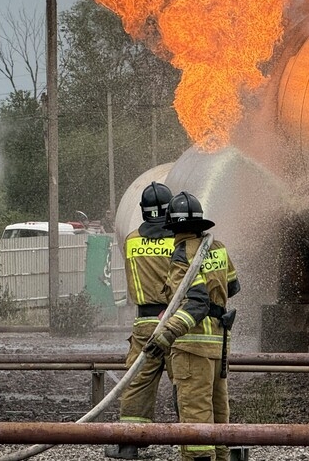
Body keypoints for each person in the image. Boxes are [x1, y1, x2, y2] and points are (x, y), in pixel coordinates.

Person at [144, 191, 240, 461]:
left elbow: (196, 303)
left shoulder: (182, 254)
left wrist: (166, 334)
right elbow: (233, 286)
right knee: (219, 413)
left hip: (192, 348)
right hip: (218, 346)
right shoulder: (218, 247)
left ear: (173, 227)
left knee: (195, 413)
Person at [105, 182, 177, 460]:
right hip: (176, 323)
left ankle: (129, 444)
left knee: (137, 384)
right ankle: (193, 439)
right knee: (187, 382)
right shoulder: (179, 242)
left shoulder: (132, 240)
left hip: (144, 323)